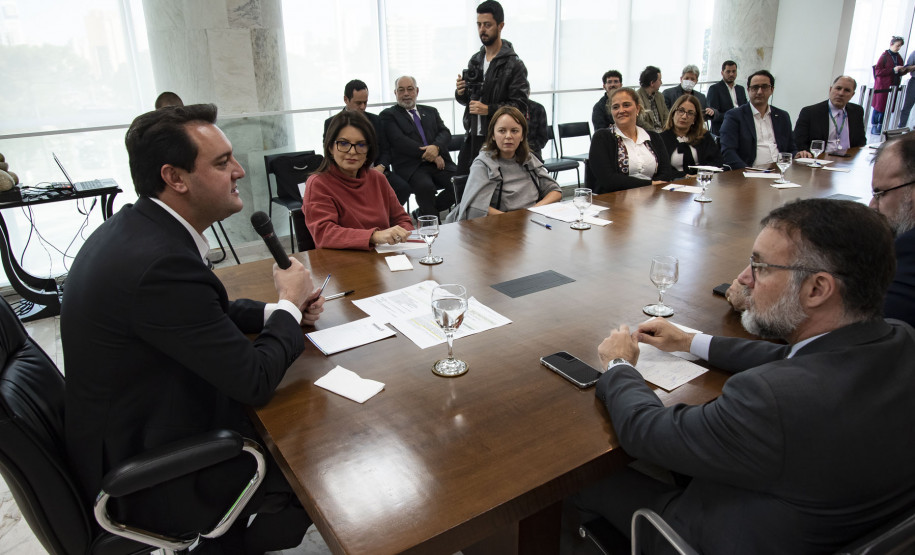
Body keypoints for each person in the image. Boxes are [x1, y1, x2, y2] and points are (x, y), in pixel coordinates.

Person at [579, 198, 915, 553]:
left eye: (761, 267)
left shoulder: (772, 399)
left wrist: (619, 366)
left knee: (581, 480)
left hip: (708, 535)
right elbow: (791, 355)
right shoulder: (900, 338)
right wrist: (691, 341)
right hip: (819, 515)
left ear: (817, 289)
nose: (743, 278)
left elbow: (646, 432)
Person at [62, 104, 325, 554]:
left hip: (129, 425)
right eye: (222, 163)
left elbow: (207, 308)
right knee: (318, 451)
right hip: (152, 470)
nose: (240, 170)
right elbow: (254, 380)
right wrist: (286, 304)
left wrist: (276, 312)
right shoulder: (160, 263)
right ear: (175, 178)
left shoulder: (142, 229)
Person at [305, 110, 414, 250]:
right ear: (331, 147)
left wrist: (401, 234)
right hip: (343, 265)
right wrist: (373, 236)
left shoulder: (378, 178)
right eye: (343, 143)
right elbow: (324, 234)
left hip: (384, 260)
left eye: (361, 145)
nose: (352, 151)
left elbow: (402, 220)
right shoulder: (318, 184)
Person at [455, 0, 530, 173]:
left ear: (500, 25)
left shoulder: (514, 64)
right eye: (479, 25)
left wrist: (488, 109)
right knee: (465, 186)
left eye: (487, 24)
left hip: (498, 139)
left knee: (493, 190)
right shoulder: (475, 59)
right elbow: (470, 99)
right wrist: (461, 92)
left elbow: (519, 106)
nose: (482, 29)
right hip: (473, 134)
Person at [448, 105, 560, 221]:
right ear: (493, 135)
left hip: (531, 222)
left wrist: (533, 211)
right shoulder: (483, 164)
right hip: (499, 225)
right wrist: (514, 219)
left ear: (522, 136)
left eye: (514, 131)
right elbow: (476, 206)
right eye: (502, 131)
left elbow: (555, 191)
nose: (508, 136)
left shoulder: (529, 159)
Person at [323, 79, 411, 206]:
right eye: (358, 103)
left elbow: (386, 150)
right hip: (347, 173)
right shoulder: (332, 123)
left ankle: (384, 217)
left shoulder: (375, 120)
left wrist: (380, 167)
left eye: (365, 102)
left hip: (376, 170)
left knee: (402, 188)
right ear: (346, 100)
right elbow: (329, 154)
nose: (363, 107)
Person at [380, 76, 456, 218]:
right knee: (425, 187)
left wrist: (436, 147)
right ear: (395, 93)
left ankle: (426, 213)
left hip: (439, 163)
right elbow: (400, 141)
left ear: (417, 91)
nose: (406, 94)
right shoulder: (388, 115)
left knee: (461, 182)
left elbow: (445, 132)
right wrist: (432, 155)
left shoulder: (431, 111)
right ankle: (433, 229)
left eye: (410, 89)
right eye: (401, 90)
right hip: (413, 167)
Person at [586, 87, 674, 193]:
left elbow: (666, 172)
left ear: (637, 108)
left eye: (626, 105)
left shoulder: (653, 137)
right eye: (615, 107)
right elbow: (609, 180)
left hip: (652, 199)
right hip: (614, 200)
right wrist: (650, 184)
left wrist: (652, 188)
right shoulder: (602, 137)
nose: (621, 110)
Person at [719, 70, 802, 170]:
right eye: (755, 88)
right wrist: (748, 171)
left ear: (772, 89)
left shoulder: (782, 116)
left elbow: (790, 148)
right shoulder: (734, 116)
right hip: (750, 172)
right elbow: (728, 152)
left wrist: (797, 154)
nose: (759, 92)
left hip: (780, 170)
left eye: (764, 87)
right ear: (748, 90)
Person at [793, 76, 867, 154]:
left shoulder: (857, 111)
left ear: (852, 95)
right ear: (831, 89)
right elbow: (799, 143)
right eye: (838, 88)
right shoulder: (810, 112)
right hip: (821, 159)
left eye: (847, 90)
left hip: (849, 159)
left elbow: (861, 141)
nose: (841, 93)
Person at [659, 94, 723, 177]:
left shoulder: (704, 136)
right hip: (673, 183)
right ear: (673, 114)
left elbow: (717, 162)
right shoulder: (661, 139)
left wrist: (701, 174)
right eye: (681, 111)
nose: (684, 116)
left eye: (690, 113)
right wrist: (685, 176)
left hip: (702, 181)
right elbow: (660, 169)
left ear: (695, 119)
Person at [871, 36, 909, 135]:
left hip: (893, 85)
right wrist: (893, 70)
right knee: (879, 106)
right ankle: (874, 126)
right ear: (891, 44)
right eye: (897, 45)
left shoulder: (898, 57)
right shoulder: (884, 56)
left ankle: (881, 126)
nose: (899, 48)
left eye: (900, 46)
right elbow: (878, 71)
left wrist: (904, 70)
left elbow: (899, 71)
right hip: (883, 86)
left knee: (887, 106)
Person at [706, 60, 747, 135]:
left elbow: (745, 108)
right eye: (728, 71)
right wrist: (733, 116)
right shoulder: (715, 89)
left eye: (734, 71)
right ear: (722, 73)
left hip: (740, 127)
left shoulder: (740, 89)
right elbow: (714, 114)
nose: (731, 74)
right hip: (723, 128)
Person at [635, 66, 668, 133]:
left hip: (663, 133)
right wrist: (655, 133)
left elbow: (666, 116)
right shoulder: (636, 97)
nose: (661, 83)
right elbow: (640, 121)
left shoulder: (660, 96)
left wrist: (665, 131)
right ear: (652, 83)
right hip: (647, 133)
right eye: (659, 80)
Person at [897, 48, 915, 127]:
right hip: (914, 82)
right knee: (907, 107)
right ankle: (901, 127)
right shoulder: (914, 53)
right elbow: (905, 69)